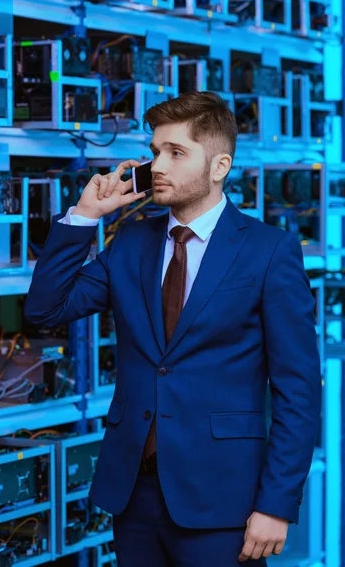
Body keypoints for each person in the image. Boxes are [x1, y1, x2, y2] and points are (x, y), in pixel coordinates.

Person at [24, 91, 322, 566]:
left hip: (225, 501)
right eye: (156, 150)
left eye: (176, 153)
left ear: (219, 166)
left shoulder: (269, 251)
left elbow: (298, 390)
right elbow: (45, 310)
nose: (157, 165)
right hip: (133, 495)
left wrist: (276, 504)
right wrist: (83, 218)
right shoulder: (131, 242)